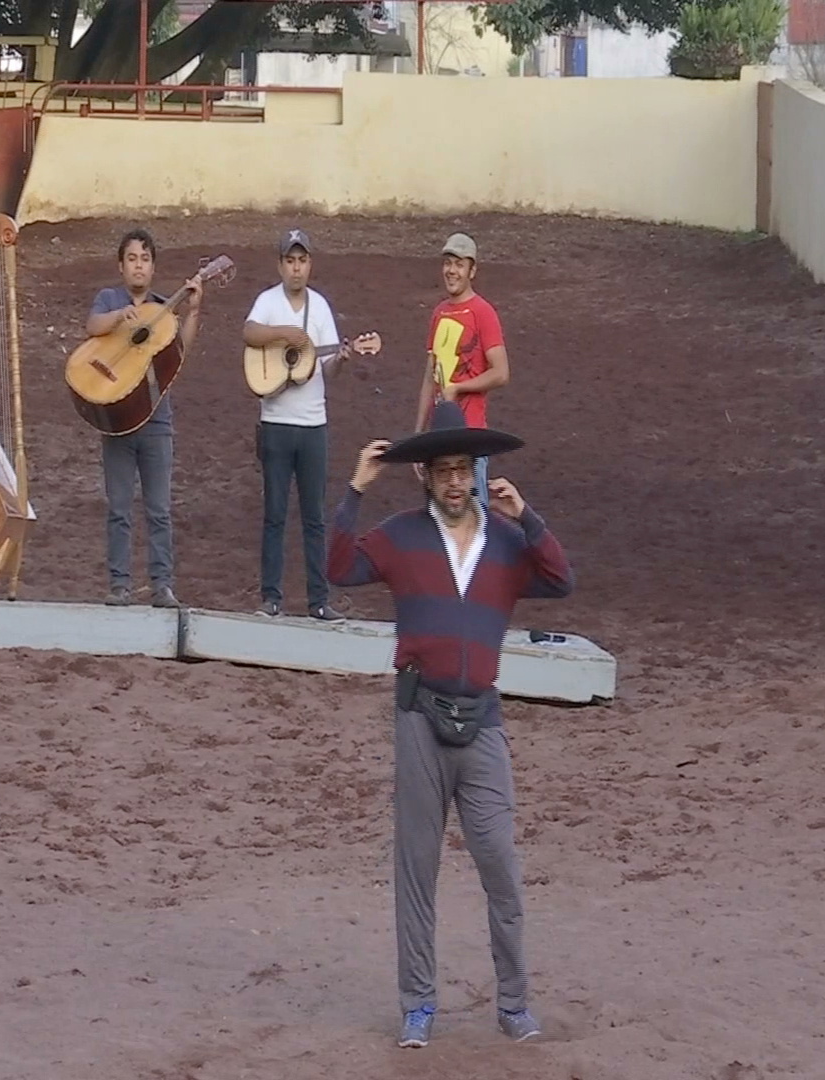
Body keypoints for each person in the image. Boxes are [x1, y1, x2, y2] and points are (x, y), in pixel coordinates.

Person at [327, 400, 574, 1050]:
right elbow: (337, 568)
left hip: (483, 721)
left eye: (464, 468)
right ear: (425, 476)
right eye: (443, 470)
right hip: (419, 718)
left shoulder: (506, 542)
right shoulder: (401, 536)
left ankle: (514, 1005)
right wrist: (355, 489)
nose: (456, 481)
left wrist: (528, 516)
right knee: (416, 870)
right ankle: (418, 1005)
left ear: (478, 471)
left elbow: (560, 579)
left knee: (501, 868)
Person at [243, 228, 356, 621]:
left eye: (302, 261)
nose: (296, 268)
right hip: (276, 422)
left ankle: (318, 600)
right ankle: (270, 597)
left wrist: (341, 358)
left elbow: (328, 368)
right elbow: (249, 332)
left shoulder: (320, 308)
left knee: (314, 517)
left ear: (310, 264)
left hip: (312, 425)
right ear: (280, 265)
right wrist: (286, 334)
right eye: (290, 261)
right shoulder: (267, 301)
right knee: (274, 513)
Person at [86, 228, 203, 608]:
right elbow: (92, 326)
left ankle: (162, 585)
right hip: (117, 416)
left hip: (157, 420)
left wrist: (193, 310)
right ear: (121, 266)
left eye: (145, 259)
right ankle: (119, 585)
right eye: (132, 259)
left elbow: (181, 351)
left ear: (153, 268)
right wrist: (119, 317)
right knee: (118, 507)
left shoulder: (163, 309)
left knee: (159, 510)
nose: (139, 266)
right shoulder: (109, 299)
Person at [414, 232, 510, 508]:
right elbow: (430, 376)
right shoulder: (439, 313)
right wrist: (419, 434)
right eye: (448, 263)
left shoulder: (483, 312)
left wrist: (458, 388)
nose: (451, 271)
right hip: (439, 436)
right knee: (439, 518)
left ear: (472, 270)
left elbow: (501, 372)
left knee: (474, 519)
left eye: (459, 264)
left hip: (470, 437)